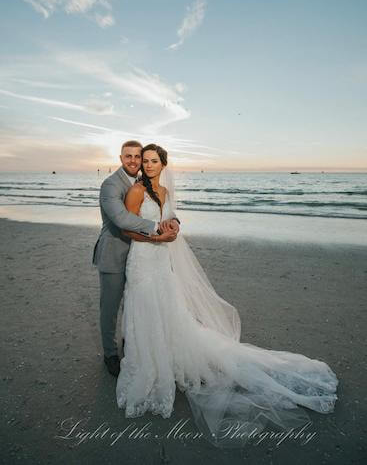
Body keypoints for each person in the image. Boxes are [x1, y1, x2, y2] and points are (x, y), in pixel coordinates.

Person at [115, 143, 339, 448]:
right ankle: (151, 365)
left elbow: (170, 219)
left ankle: (168, 356)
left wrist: (172, 228)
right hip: (142, 260)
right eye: (146, 161)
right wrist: (157, 238)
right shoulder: (137, 191)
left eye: (155, 161)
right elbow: (128, 229)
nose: (149, 165)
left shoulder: (165, 193)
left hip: (160, 261)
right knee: (144, 310)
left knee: (167, 309)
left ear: (164, 165)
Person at [93, 140, 180, 377]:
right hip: (114, 253)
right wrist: (158, 229)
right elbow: (122, 220)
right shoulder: (110, 185)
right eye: (128, 156)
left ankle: (131, 344)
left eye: (137, 156)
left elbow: (165, 208)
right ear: (120, 158)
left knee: (136, 302)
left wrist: (173, 223)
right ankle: (110, 354)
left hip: (141, 254)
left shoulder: (146, 183)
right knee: (110, 308)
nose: (134, 161)